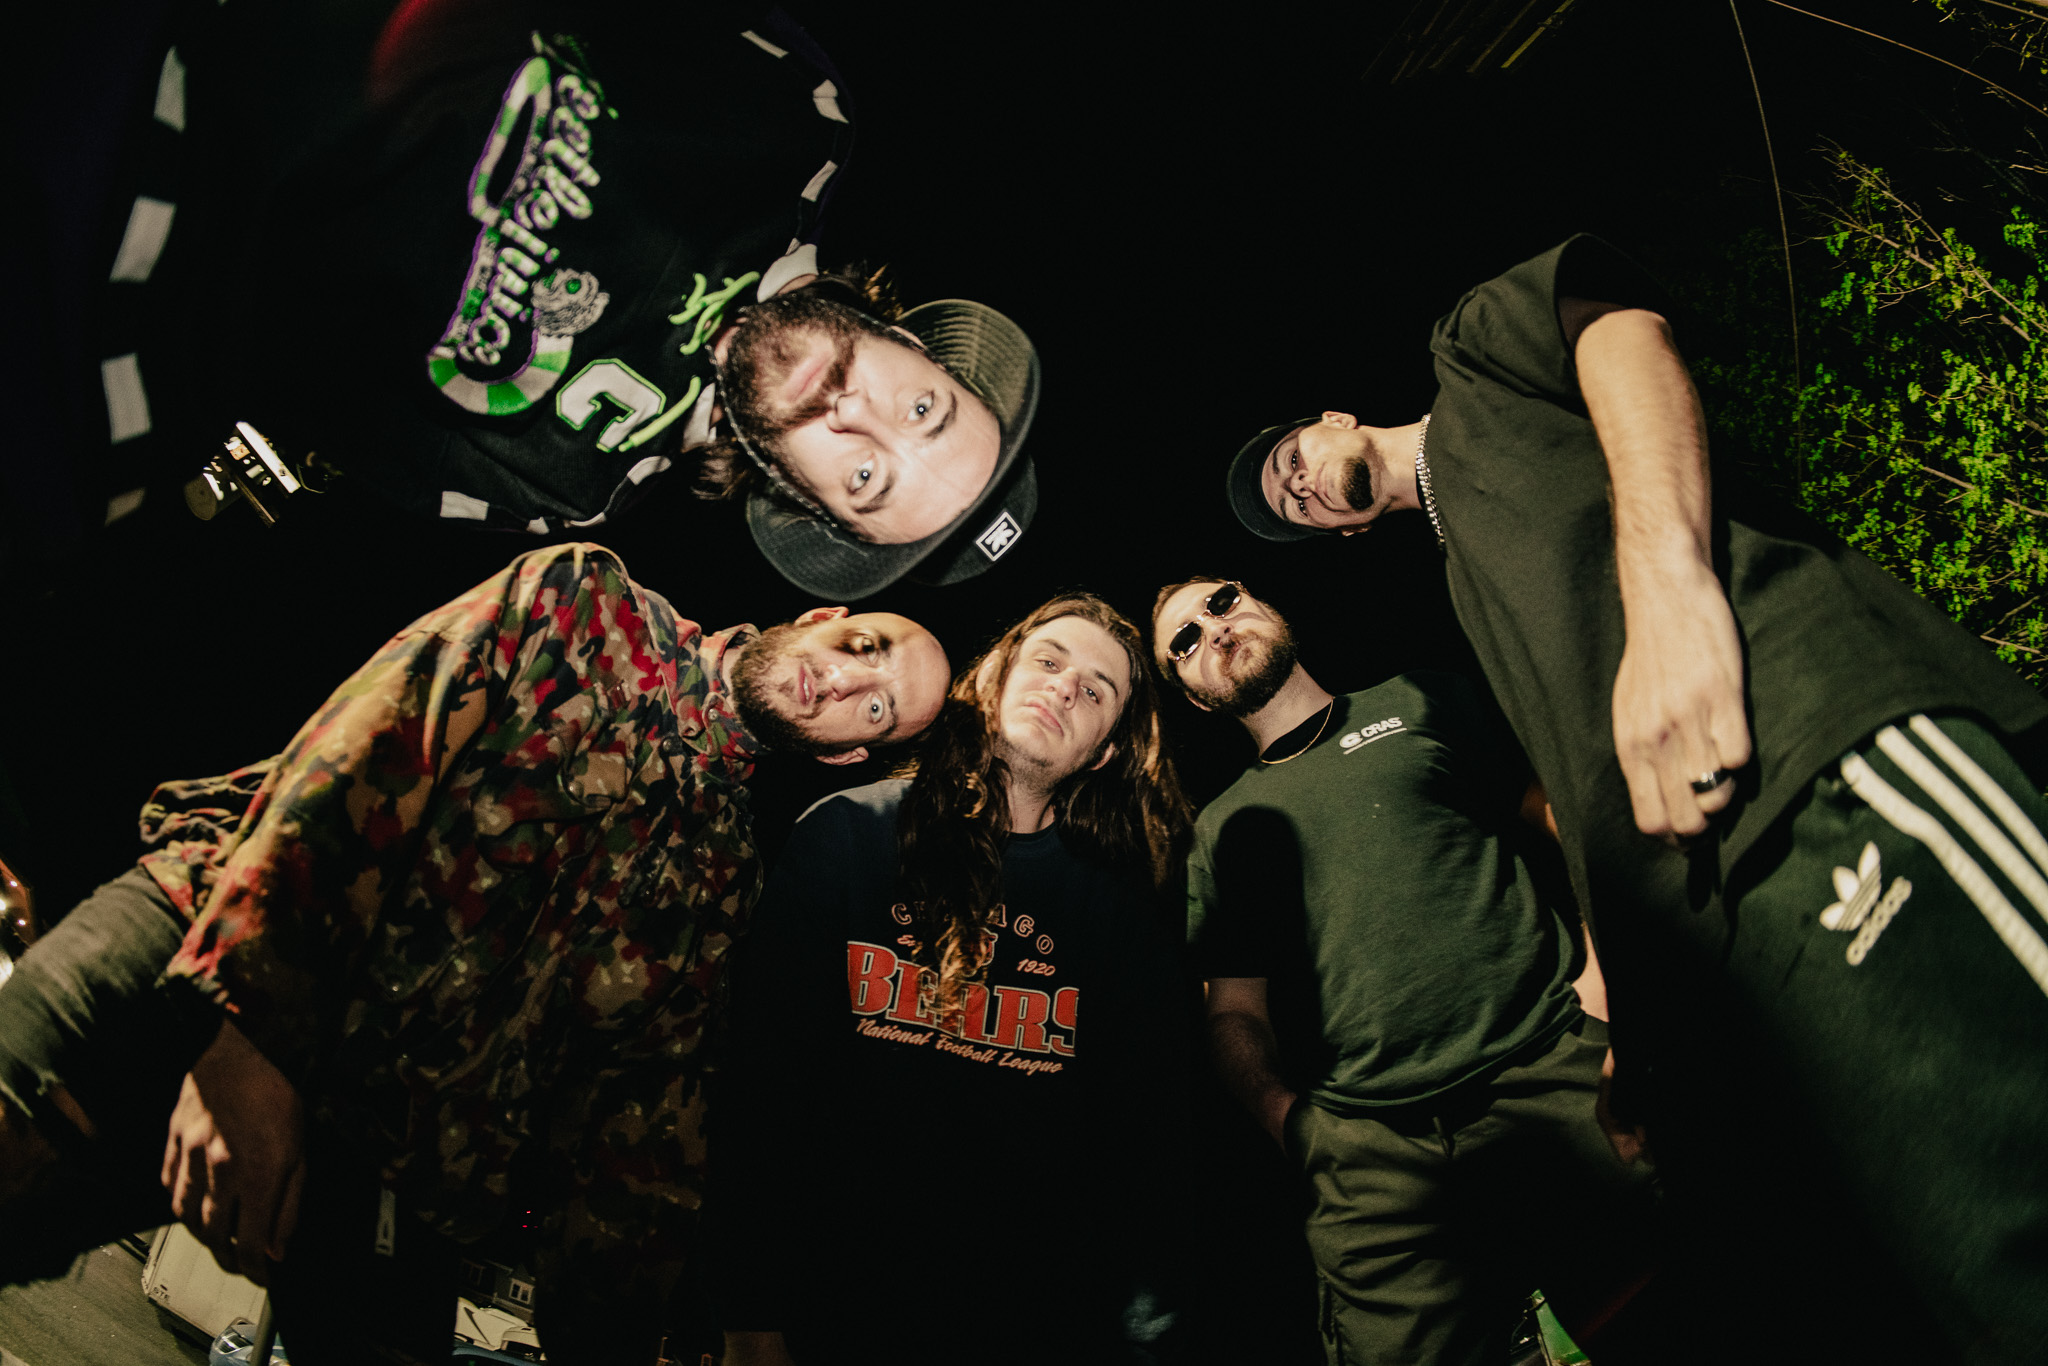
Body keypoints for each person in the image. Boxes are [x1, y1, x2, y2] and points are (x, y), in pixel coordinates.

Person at [1225, 236, 2048, 1362]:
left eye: (1289, 459)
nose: (1301, 484)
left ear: (1329, 418)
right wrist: (1631, 999)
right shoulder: (1468, 589)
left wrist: (1669, 589)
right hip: (1717, 924)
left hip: (1808, 757)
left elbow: (1621, 330)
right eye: (1294, 503)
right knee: (1961, 1261)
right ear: (1345, 531)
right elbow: (1579, 787)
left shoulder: (1468, 362)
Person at [0, 542, 951, 1366]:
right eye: (867, 650)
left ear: (842, 758)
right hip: (218, 930)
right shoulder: (592, 605)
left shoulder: (722, 879)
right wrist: (256, 1030)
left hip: (373, 1136)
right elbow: (371, 748)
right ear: (827, 614)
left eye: (876, 714)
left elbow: (636, 1142)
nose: (849, 684)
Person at [130, 1, 1038, 595]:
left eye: (866, 478)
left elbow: (289, 383)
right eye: (923, 408)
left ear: (810, 506)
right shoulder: (794, 119)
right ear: (919, 346)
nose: (853, 413)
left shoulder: (566, 488)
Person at [1151, 576, 1653, 1366]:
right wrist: (1291, 1121)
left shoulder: (1418, 699)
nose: (1211, 630)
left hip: (1553, 1069)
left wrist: (1602, 983)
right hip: (1371, 1149)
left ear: (1269, 605)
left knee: (1704, 1294)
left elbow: (1568, 821)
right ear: (1193, 697)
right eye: (1181, 641)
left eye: (1221, 601)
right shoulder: (1221, 830)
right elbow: (1233, 1012)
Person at [715, 593, 1193, 1365]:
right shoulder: (847, 834)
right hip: (830, 1314)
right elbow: (763, 1090)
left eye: (1097, 690)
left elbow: (1144, 1150)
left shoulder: (1122, 914)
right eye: (1048, 660)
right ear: (994, 678)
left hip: (1028, 1328)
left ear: (1104, 751)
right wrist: (749, 1314)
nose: (1066, 686)